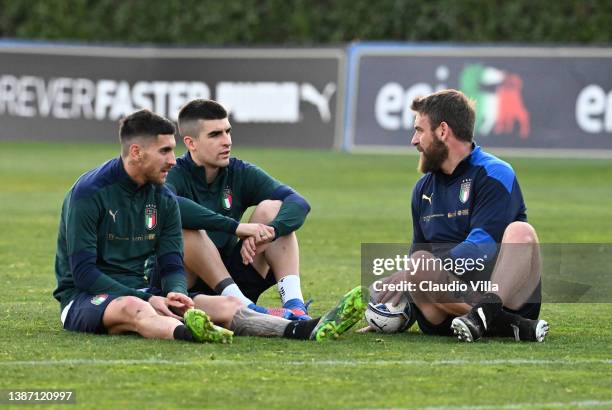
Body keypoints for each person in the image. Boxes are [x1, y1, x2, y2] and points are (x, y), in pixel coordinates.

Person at [53, 109, 365, 343]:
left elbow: (172, 261)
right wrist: (153, 298)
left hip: (149, 290)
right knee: (135, 309)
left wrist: (176, 292)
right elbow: (84, 274)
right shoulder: (89, 194)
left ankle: (301, 327)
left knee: (225, 306)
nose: (173, 160)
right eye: (164, 151)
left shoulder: (161, 195)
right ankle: (190, 334)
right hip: (85, 297)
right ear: (136, 152)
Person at [363, 89, 548, 342]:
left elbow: (483, 246)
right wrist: (391, 309)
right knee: (418, 261)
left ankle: (487, 315)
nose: (413, 141)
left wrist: (415, 270)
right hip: (444, 311)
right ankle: (509, 325)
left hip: (505, 296)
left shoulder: (494, 173)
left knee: (521, 233)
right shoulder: (422, 189)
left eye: (419, 130)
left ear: (442, 131)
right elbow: (418, 260)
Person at [163, 99, 311, 320]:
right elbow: (168, 205)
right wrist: (237, 228)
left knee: (272, 208)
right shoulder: (171, 173)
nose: (227, 141)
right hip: (186, 288)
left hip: (235, 277)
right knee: (187, 229)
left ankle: (295, 306)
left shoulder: (239, 171)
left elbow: (298, 202)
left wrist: (271, 231)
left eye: (228, 131)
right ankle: (247, 309)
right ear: (191, 143)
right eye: (215, 135)